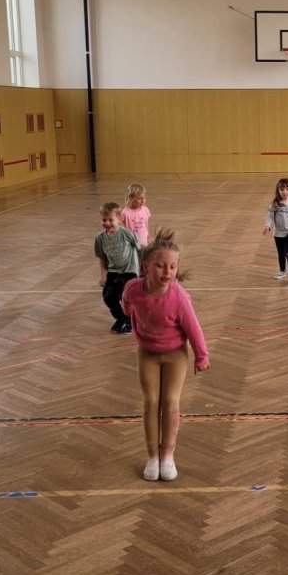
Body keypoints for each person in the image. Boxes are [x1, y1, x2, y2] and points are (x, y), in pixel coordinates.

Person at [121, 228, 209, 481]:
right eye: (160, 266)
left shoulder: (178, 297)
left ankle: (168, 455)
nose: (167, 272)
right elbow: (127, 304)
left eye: (172, 267)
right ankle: (153, 456)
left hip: (175, 355)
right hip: (147, 353)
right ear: (146, 267)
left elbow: (193, 327)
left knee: (170, 401)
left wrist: (202, 355)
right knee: (151, 402)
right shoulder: (133, 289)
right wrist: (129, 311)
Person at [94, 201, 141, 333]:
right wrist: (103, 274)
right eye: (104, 220)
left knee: (127, 298)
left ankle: (131, 320)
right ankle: (122, 318)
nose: (107, 223)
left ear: (120, 219)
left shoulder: (127, 234)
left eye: (111, 220)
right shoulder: (100, 239)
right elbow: (102, 257)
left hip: (129, 272)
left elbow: (139, 249)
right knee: (109, 297)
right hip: (113, 272)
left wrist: (143, 270)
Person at [120, 182, 150, 247]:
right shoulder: (125, 213)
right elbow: (117, 226)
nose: (143, 201)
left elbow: (146, 224)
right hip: (131, 244)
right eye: (139, 199)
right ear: (131, 198)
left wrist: (147, 234)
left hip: (144, 242)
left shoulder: (145, 210)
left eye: (144, 198)